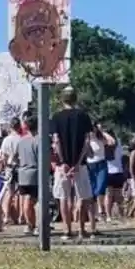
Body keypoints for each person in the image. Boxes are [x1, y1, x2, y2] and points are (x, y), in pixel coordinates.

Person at [51, 87, 95, 240]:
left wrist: (63, 162)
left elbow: (56, 141)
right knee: (82, 196)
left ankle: (66, 229)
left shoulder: (56, 117)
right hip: (80, 164)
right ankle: (82, 229)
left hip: (62, 166)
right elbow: (87, 141)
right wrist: (77, 161)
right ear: (76, 98)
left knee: (63, 196)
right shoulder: (83, 116)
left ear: (62, 99)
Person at [13, 115, 41, 235]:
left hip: (23, 173)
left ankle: (29, 225)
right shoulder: (39, 140)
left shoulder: (21, 141)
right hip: (35, 172)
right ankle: (36, 225)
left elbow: (14, 158)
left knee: (25, 200)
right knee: (37, 201)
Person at [0, 118, 23, 232]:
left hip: (9, 168)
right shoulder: (22, 139)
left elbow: (3, 156)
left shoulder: (6, 140)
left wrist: (6, 165)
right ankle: (21, 216)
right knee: (21, 193)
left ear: (11, 127)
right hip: (20, 167)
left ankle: (7, 216)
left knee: (9, 193)